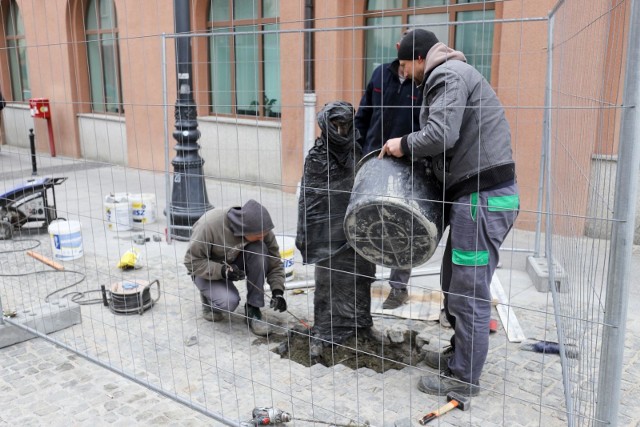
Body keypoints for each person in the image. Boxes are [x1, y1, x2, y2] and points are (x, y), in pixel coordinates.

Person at [380, 29, 519, 396]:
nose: (404, 72)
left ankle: (463, 379)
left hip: (482, 199)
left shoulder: (446, 75)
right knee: (453, 282)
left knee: (467, 292)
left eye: (406, 64)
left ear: (420, 58)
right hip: (475, 199)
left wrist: (401, 145)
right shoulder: (450, 75)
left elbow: (441, 135)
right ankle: (459, 357)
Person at [354, 37, 423, 310]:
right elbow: (363, 114)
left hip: (407, 164)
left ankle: (398, 288)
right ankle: (363, 279)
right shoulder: (380, 73)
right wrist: (359, 149)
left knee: (401, 225)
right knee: (365, 216)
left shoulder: (424, 83)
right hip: (373, 159)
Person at [183, 199, 287, 336]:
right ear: (244, 229)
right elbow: (192, 262)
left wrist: (277, 290)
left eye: (264, 235)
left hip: (234, 261)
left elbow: (274, 262)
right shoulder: (209, 225)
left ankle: (253, 309)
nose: (263, 237)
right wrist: (221, 271)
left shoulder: (261, 229)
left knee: (259, 249)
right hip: (207, 269)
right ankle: (208, 300)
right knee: (229, 302)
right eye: (258, 236)